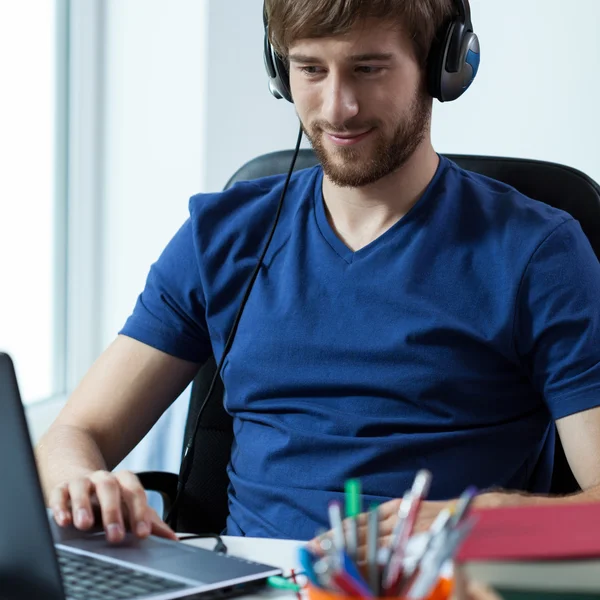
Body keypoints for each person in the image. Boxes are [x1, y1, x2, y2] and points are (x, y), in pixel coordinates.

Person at [36, 0, 600, 558]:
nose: (338, 108)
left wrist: (483, 525)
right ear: (280, 69)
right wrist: (86, 486)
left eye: (368, 69)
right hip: (246, 586)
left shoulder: (538, 253)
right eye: (310, 69)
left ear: (444, 64)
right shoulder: (222, 236)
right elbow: (71, 436)